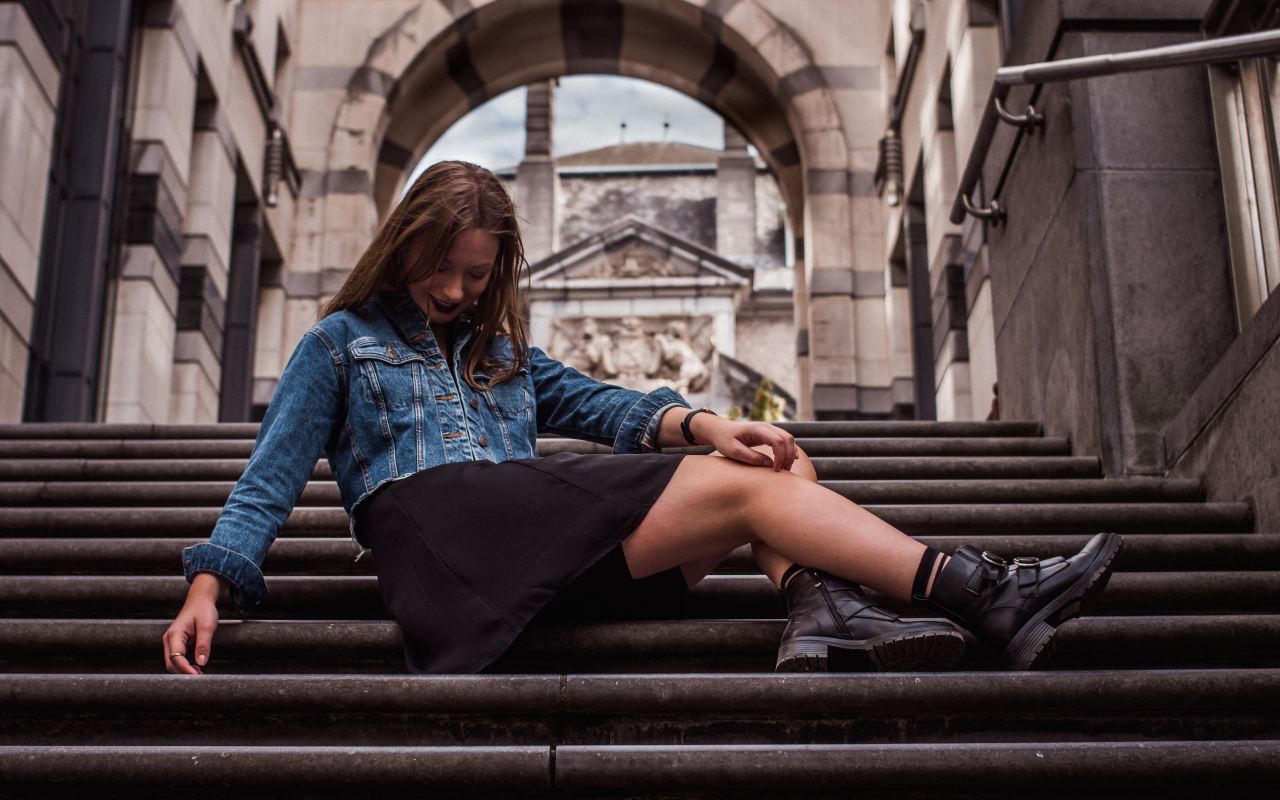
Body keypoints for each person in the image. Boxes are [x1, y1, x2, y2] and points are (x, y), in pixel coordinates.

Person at [163, 160, 1122, 677]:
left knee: (773, 458)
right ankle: (975, 585)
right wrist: (213, 584)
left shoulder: (504, 358)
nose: (456, 290)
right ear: (403, 245)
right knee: (753, 479)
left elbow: (607, 404)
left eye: (477, 272)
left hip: (532, 567)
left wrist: (707, 425)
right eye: (440, 267)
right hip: (442, 536)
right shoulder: (339, 343)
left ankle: (821, 606)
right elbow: (270, 476)